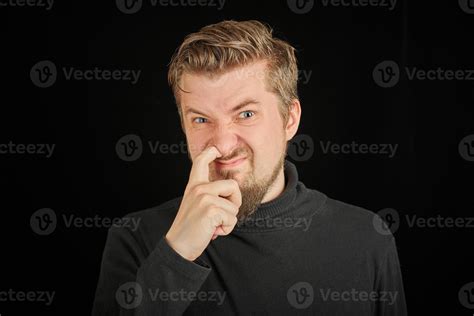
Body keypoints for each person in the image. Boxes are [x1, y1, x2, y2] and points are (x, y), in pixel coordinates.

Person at [92, 20, 407, 315]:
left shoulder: (367, 238)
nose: (224, 145)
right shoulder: (136, 238)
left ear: (290, 119)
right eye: (201, 119)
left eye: (245, 114)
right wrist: (176, 254)